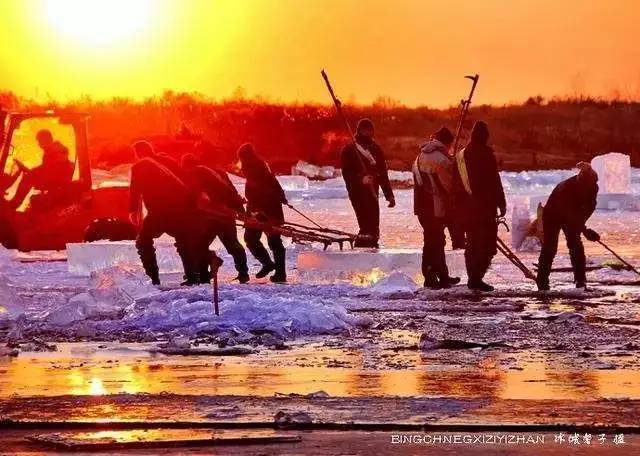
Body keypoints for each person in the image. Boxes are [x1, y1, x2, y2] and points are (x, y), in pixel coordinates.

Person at [129, 141, 202, 286]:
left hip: (159, 211)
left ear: (139, 153)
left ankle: (153, 278)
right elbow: (186, 179)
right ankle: (192, 276)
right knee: (183, 242)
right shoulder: (168, 161)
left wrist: (133, 210)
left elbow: (135, 189)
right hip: (180, 209)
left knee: (143, 241)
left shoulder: (140, 166)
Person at [181, 152, 250, 284]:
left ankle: (207, 270)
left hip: (213, 216)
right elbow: (230, 190)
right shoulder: (215, 172)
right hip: (224, 213)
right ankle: (242, 273)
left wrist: (189, 208)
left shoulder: (195, 172)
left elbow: (194, 194)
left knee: (199, 244)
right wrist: (238, 209)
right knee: (232, 244)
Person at [454, 121, 506, 291]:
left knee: (472, 244)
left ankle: (473, 278)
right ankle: (476, 278)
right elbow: (494, 181)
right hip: (485, 209)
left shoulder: (461, 156)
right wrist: (501, 202)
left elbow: (455, 184)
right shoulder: (486, 154)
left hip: (466, 210)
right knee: (487, 246)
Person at [536, 162, 599, 291]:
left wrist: (583, 226)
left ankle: (580, 281)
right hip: (552, 215)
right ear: (579, 180)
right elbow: (568, 212)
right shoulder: (567, 188)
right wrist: (584, 229)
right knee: (550, 247)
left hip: (571, 215)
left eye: (590, 184)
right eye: (585, 184)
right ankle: (542, 281)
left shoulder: (593, 187)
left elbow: (589, 207)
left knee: (575, 244)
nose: (587, 187)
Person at [413, 127, 461, 289]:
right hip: (435, 207)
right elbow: (449, 186)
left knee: (433, 240)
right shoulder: (441, 160)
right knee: (435, 241)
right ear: (447, 143)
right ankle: (433, 277)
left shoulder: (420, 156)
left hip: (422, 207)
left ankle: (440, 275)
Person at [237, 143, 288, 283]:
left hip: (262, 212)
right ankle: (277, 271)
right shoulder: (262, 166)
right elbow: (274, 185)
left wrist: (256, 212)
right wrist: (282, 197)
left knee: (253, 239)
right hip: (270, 210)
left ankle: (271, 266)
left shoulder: (253, 169)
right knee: (273, 242)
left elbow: (257, 193)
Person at [341, 118, 395, 248]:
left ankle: (372, 246)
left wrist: (389, 195)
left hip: (372, 192)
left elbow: (382, 174)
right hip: (357, 193)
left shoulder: (376, 149)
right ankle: (362, 248)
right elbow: (347, 174)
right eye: (366, 130)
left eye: (371, 130)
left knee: (374, 225)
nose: (369, 133)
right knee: (365, 224)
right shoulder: (350, 150)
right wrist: (361, 179)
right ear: (359, 131)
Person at [9, 129, 75, 209]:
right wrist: (31, 171)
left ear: (47, 140)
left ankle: (14, 204)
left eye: (40, 141)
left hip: (54, 182)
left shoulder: (56, 152)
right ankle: (14, 203)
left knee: (27, 179)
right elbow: (45, 167)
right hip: (53, 179)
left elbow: (50, 170)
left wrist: (31, 172)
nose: (39, 144)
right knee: (28, 176)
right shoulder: (52, 151)